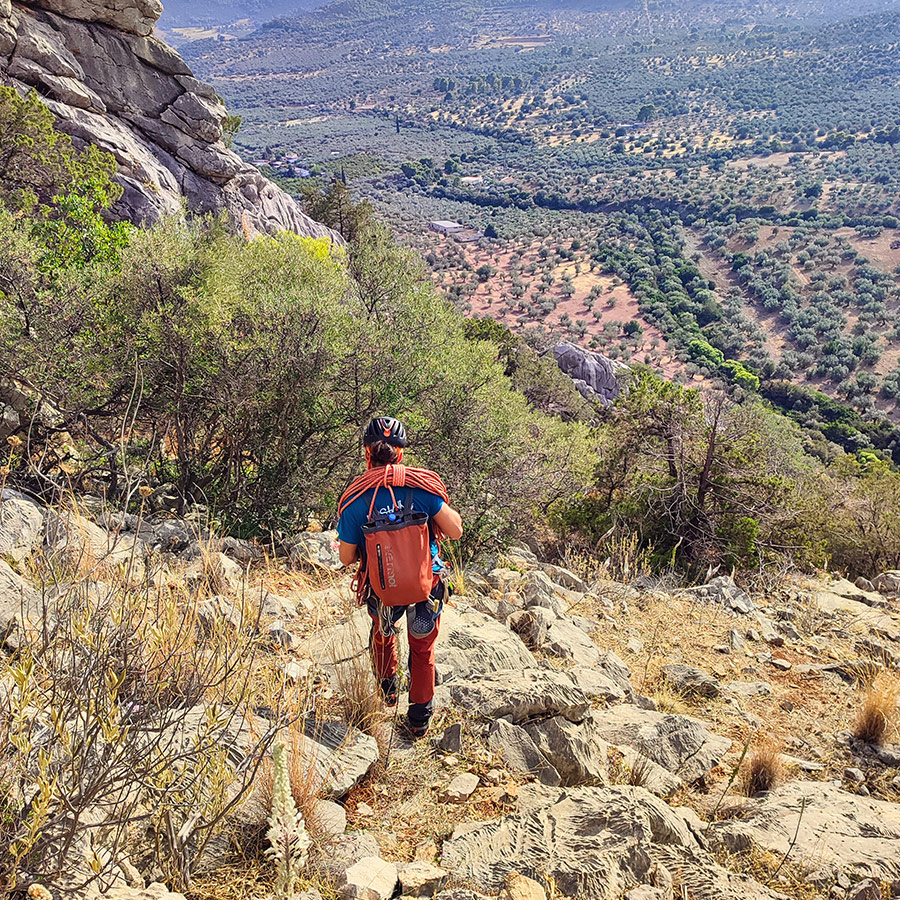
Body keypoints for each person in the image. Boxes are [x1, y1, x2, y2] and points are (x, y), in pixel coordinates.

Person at [337, 417, 463, 737]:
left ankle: (388, 691)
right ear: (400, 454)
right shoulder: (422, 489)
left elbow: (346, 557)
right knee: (422, 649)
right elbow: (455, 530)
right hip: (426, 584)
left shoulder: (355, 500)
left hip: (382, 587)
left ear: (368, 453)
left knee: (382, 634)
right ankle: (419, 719)